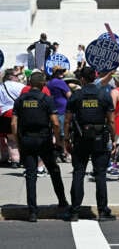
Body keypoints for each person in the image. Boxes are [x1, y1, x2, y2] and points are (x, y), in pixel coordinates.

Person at [11, 72, 68, 222]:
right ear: (43, 84)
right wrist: (57, 141)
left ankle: (32, 212)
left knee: (30, 175)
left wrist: (18, 142)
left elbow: (13, 124)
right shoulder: (47, 100)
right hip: (43, 140)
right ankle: (62, 201)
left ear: (30, 84)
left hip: (26, 139)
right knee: (54, 170)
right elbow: (55, 122)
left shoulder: (20, 100)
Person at [63, 66, 116, 222]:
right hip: (100, 138)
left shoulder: (76, 96)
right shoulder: (104, 95)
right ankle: (102, 211)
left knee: (78, 173)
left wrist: (66, 139)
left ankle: (74, 211)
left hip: (80, 139)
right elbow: (111, 120)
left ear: (83, 80)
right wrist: (114, 139)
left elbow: (67, 120)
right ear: (94, 77)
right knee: (100, 175)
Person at [0, 68, 25, 168]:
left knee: (10, 139)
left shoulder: (1, 87)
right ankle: (21, 159)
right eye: (17, 75)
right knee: (20, 138)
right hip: (16, 114)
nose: (19, 77)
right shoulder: (20, 86)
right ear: (11, 77)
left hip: (4, 114)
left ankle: (15, 160)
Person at [47, 65, 72, 162]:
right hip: (62, 110)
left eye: (62, 71)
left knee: (56, 133)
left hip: (53, 110)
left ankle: (58, 153)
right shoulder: (60, 82)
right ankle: (65, 153)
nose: (61, 73)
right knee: (63, 133)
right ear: (54, 73)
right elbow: (69, 95)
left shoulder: (49, 83)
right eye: (59, 71)